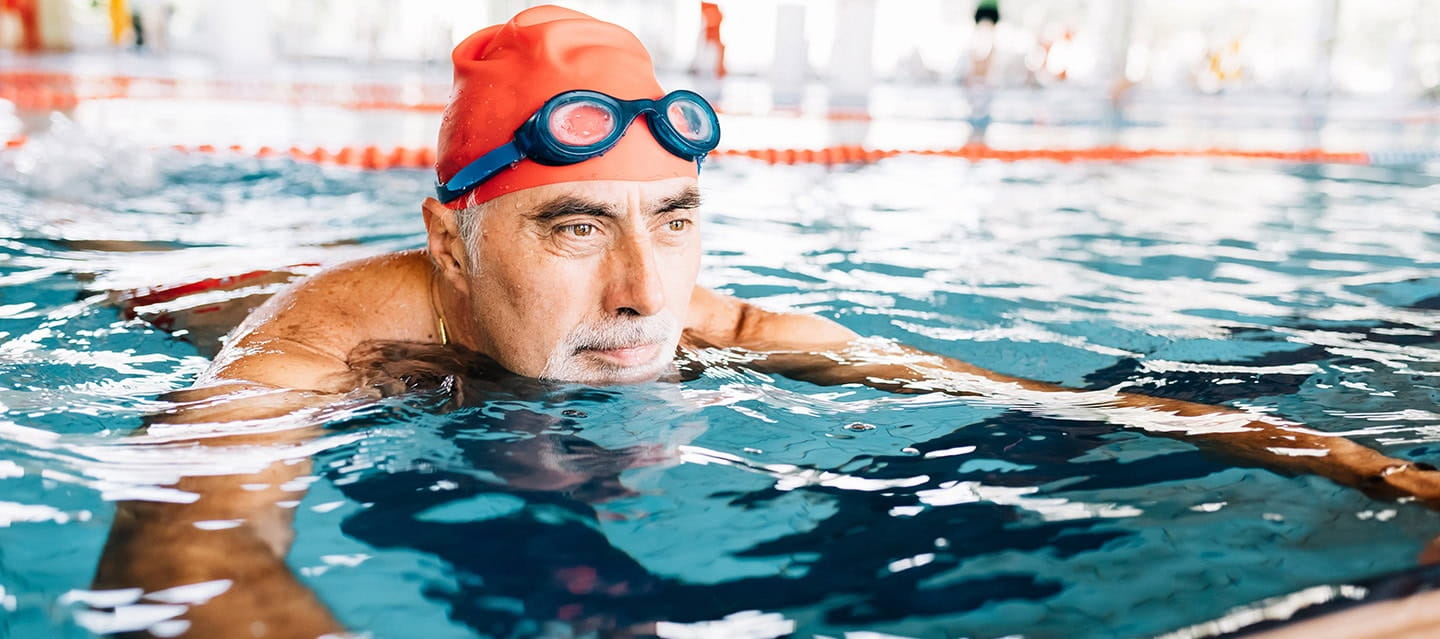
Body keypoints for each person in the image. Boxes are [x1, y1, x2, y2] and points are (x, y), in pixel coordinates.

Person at [93, 5, 1440, 638]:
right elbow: (181, 546)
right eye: (575, 226)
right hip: (207, 302)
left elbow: (988, 388)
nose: (641, 297)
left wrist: (1331, 456)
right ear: (451, 239)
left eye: (672, 218)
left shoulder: (707, 314)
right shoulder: (331, 335)